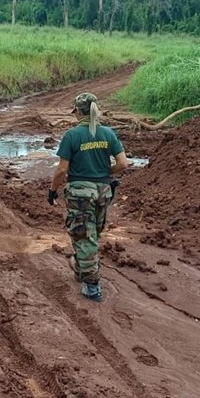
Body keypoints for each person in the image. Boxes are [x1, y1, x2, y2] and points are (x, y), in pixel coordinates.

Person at [48, 93, 128, 302]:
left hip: (80, 193)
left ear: (78, 111)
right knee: (93, 233)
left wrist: (52, 190)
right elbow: (122, 164)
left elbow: (61, 170)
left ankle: (92, 287)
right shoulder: (108, 133)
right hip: (103, 191)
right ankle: (82, 266)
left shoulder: (72, 135)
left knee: (84, 236)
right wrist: (103, 172)